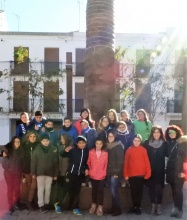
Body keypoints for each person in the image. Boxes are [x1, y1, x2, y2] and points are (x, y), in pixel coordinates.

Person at [60, 135, 89, 216]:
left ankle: (75, 208)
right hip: (71, 173)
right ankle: (58, 204)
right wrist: (65, 151)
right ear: (77, 144)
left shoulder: (86, 151)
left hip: (79, 175)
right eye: (80, 143)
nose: (82, 144)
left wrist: (86, 168)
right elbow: (63, 155)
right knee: (66, 189)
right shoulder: (73, 150)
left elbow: (86, 162)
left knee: (76, 192)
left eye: (83, 143)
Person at [124, 134, 151, 215]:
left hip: (141, 174)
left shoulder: (143, 150)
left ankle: (138, 207)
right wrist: (125, 174)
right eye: (135, 140)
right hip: (131, 174)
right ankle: (134, 206)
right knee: (133, 192)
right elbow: (126, 163)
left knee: (139, 192)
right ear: (132, 141)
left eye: (138, 141)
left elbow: (147, 162)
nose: (136, 142)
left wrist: (148, 173)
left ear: (140, 141)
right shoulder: (129, 150)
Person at [31, 134, 58, 213]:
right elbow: (34, 162)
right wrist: (33, 172)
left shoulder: (53, 149)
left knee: (48, 189)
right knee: (40, 189)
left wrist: (56, 174)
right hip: (40, 173)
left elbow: (56, 162)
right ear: (41, 141)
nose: (45, 142)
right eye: (43, 141)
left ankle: (46, 203)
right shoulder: (37, 149)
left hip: (50, 173)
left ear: (49, 141)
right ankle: (41, 205)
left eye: (47, 140)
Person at [165, 125, 187, 218]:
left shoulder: (183, 142)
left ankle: (180, 210)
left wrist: (184, 171)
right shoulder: (168, 143)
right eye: (169, 133)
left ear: (177, 132)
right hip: (170, 170)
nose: (171, 134)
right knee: (174, 191)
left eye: (173, 132)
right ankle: (176, 209)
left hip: (179, 171)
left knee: (178, 191)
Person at [144, 126, 167, 215]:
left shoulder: (164, 143)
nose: (156, 134)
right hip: (150, 170)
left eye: (158, 132)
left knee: (160, 188)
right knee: (151, 189)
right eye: (154, 132)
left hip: (160, 171)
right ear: (152, 133)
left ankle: (159, 206)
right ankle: (153, 206)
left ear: (161, 133)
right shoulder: (147, 143)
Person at [87, 138, 108, 216]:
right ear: (95, 144)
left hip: (102, 176)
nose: (98, 145)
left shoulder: (105, 153)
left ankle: (100, 207)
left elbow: (106, 164)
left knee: (100, 191)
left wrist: (104, 172)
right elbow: (88, 162)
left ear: (102, 145)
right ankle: (94, 205)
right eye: (97, 143)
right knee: (94, 191)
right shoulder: (91, 152)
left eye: (100, 144)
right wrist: (90, 170)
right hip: (93, 175)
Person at [2, 136, 23, 212]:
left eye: (18, 142)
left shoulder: (21, 150)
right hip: (9, 173)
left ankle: (18, 203)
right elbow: (3, 162)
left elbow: (22, 163)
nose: (17, 143)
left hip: (18, 173)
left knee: (17, 189)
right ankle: (10, 204)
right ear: (13, 142)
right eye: (16, 141)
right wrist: (8, 169)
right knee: (10, 189)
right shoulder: (8, 150)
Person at [106, 130, 124, 216]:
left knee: (114, 191)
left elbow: (120, 161)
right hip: (109, 172)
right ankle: (113, 208)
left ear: (115, 137)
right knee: (111, 190)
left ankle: (118, 209)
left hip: (115, 173)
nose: (110, 138)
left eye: (112, 136)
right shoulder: (107, 146)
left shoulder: (118, 146)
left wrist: (116, 172)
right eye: (109, 136)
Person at [54, 133, 73, 214]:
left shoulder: (71, 148)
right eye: (61, 138)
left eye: (64, 138)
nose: (62, 140)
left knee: (65, 190)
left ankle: (65, 205)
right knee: (59, 189)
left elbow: (71, 162)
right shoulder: (58, 146)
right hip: (59, 172)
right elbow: (56, 159)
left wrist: (68, 172)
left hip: (66, 172)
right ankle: (57, 205)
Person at [22, 131, 40, 211]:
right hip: (26, 169)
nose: (32, 138)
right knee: (30, 187)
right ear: (28, 137)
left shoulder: (39, 146)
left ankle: (30, 202)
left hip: (36, 169)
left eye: (34, 136)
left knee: (34, 186)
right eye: (31, 136)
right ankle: (30, 202)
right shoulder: (24, 146)